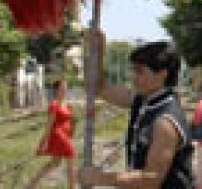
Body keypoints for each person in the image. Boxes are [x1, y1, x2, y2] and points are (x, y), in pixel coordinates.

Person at [79, 33, 195, 187]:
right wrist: (97, 51)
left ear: (162, 75)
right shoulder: (141, 101)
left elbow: (151, 179)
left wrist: (100, 178)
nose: (133, 77)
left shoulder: (166, 122)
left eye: (140, 71)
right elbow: (96, 88)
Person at [26, 78, 75, 189]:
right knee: (71, 158)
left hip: (65, 136)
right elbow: (49, 124)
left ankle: (31, 184)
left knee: (55, 163)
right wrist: (44, 141)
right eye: (63, 88)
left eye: (66, 87)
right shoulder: (54, 104)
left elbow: (70, 121)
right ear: (56, 90)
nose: (65, 90)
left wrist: (71, 131)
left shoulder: (66, 104)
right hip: (58, 135)